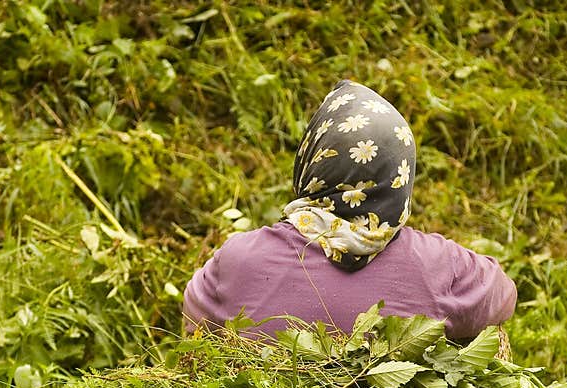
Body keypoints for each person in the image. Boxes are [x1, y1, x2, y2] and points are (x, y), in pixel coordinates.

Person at [182, 79, 517, 341]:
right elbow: (502, 296)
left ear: (312, 160)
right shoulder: (439, 265)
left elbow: (194, 315)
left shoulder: (240, 259)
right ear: (399, 178)